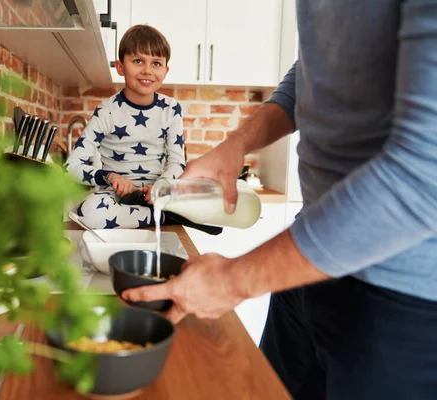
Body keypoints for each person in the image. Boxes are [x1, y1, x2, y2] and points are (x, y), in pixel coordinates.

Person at [123, 1, 437, 399]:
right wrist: (237, 143)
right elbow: (308, 75)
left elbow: (425, 177)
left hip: (398, 297)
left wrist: (232, 281)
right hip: (308, 256)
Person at [64, 24, 186, 230]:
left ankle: (155, 213)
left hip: (157, 194)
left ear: (165, 71)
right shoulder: (107, 111)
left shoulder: (171, 109)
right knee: (88, 212)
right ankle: (159, 218)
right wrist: (109, 177)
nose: (147, 70)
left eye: (156, 63)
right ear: (120, 67)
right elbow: (70, 168)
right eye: (138, 61)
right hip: (116, 196)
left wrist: (160, 186)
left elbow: (177, 162)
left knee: (196, 201)